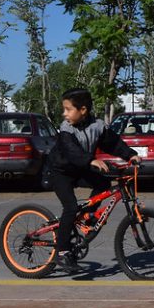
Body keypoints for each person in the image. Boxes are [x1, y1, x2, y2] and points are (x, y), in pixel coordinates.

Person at [49, 88, 140, 273]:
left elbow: (113, 143)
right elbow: (71, 151)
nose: (64, 113)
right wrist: (90, 160)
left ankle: (87, 217)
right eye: (64, 109)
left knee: (103, 183)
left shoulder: (97, 126)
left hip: (80, 168)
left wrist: (130, 155)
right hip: (61, 172)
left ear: (83, 110)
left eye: (68, 109)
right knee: (71, 207)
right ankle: (62, 251)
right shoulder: (66, 129)